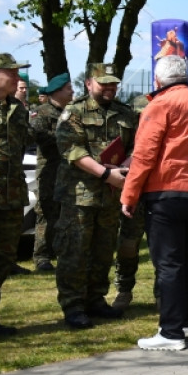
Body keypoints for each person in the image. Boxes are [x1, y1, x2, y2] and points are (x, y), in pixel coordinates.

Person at [121, 56, 188, 351]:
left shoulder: (160, 105)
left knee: (168, 262)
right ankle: (185, 322)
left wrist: (129, 195)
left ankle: (171, 331)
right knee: (180, 258)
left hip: (166, 191)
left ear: (157, 81)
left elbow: (143, 155)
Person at [53, 63, 138, 329]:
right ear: (89, 83)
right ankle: (74, 305)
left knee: (103, 251)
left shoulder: (125, 113)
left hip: (110, 197)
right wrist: (105, 174)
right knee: (75, 252)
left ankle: (96, 299)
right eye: (104, 84)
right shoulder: (74, 111)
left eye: (113, 83)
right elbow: (73, 151)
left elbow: (139, 145)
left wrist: (126, 163)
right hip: (79, 196)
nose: (110, 88)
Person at [0, 53, 34, 336]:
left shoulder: (18, 109)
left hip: (11, 195)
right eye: (11, 71)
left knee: (2, 258)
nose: (17, 76)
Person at [29, 72, 74, 272]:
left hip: (69, 171)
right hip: (49, 171)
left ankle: (62, 250)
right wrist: (64, 137)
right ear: (57, 92)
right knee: (45, 213)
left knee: (66, 213)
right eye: (68, 88)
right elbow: (38, 137)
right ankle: (41, 257)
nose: (72, 91)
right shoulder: (42, 112)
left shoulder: (72, 112)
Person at [112, 94, 151, 311]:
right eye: (138, 115)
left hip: (157, 196)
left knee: (161, 248)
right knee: (127, 246)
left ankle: (161, 293)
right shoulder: (126, 134)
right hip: (133, 196)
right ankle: (124, 290)